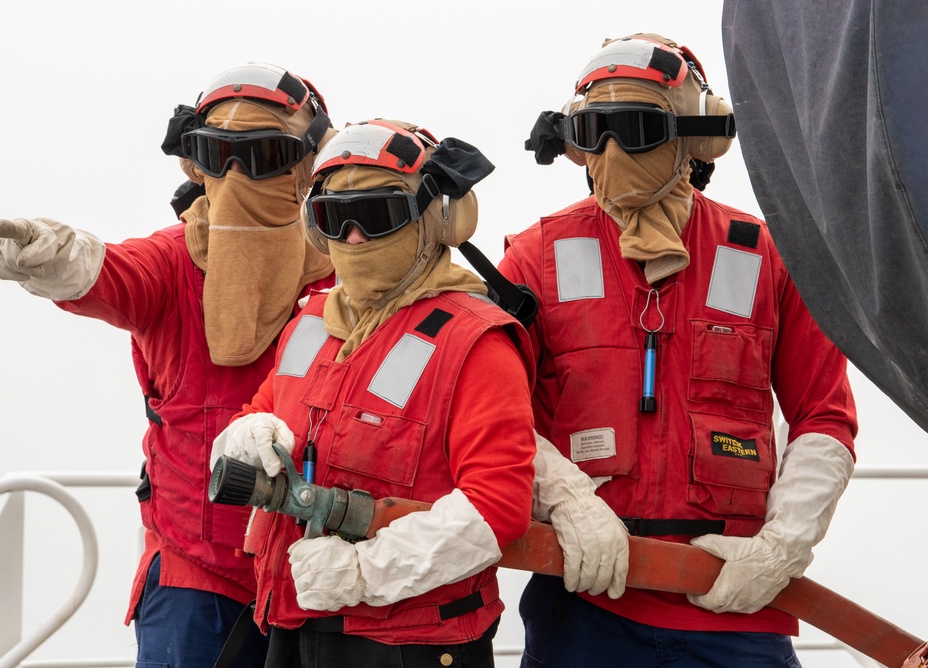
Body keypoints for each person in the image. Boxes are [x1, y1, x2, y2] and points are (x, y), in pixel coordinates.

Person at [500, 33, 859, 666]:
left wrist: (781, 548)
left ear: (697, 139)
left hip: (735, 601)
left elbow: (824, 418)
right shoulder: (534, 258)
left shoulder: (765, 256)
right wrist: (567, 499)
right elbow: (495, 414)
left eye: (635, 128)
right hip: (584, 599)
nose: (611, 152)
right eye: (593, 131)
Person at [0, 62, 337, 667]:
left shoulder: (354, 268)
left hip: (328, 574)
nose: (236, 176)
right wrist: (52, 257)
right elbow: (109, 274)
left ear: (311, 161)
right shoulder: (173, 264)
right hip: (198, 582)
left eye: (265, 154)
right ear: (191, 163)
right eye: (216, 153)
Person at [212, 119, 538, 667]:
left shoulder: (474, 341)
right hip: (293, 621)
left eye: (378, 215)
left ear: (434, 220)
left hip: (406, 644)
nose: (353, 238)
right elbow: (262, 411)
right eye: (334, 219)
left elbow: (497, 507)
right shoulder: (311, 322)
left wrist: (366, 572)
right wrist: (246, 435)